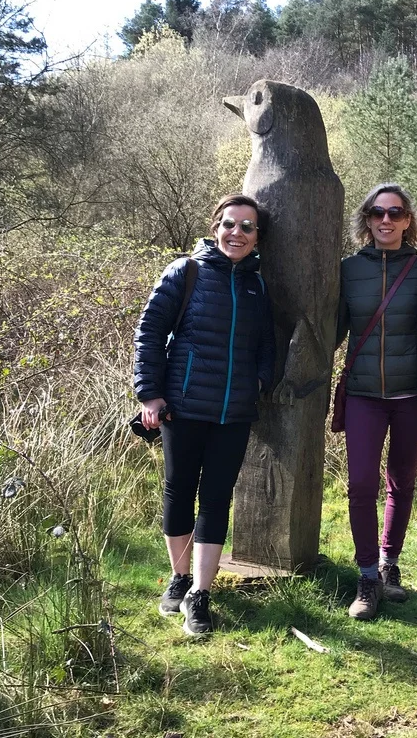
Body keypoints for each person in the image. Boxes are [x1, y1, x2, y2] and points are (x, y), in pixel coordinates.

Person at [133, 193, 275, 636]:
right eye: (230, 224)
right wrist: (149, 395)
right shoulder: (186, 271)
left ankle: (200, 593)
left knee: (216, 499)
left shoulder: (258, 285)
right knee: (179, 492)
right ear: (216, 227)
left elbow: (267, 345)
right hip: (184, 405)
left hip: (233, 412)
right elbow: (149, 332)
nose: (238, 233)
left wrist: (259, 383)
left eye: (247, 227)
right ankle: (178, 577)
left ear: (257, 237)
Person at [336, 183, 417, 620]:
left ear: (408, 221)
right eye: (378, 213)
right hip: (363, 395)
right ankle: (367, 575)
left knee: (402, 481)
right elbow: (332, 330)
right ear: (367, 219)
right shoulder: (348, 270)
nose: (386, 220)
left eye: (395, 213)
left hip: (411, 395)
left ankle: (390, 564)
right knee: (360, 486)